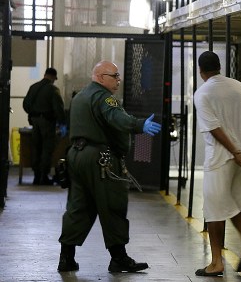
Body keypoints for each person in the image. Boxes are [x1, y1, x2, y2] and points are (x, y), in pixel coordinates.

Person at [57, 61, 162, 273]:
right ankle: (119, 258)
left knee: (78, 207)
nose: (118, 80)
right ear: (100, 76)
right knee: (113, 203)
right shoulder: (104, 97)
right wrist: (139, 125)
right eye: (114, 76)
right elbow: (117, 118)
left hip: (76, 157)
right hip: (100, 159)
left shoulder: (80, 97)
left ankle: (66, 258)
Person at [193, 51, 241, 276]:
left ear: (201, 71)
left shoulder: (202, 93)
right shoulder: (240, 87)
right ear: (220, 66)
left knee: (214, 208)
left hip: (221, 156)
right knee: (237, 202)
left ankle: (217, 262)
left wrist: (233, 151)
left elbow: (214, 128)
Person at [22, 67, 66, 185]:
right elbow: (58, 108)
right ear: (52, 77)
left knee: (36, 147)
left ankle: (36, 175)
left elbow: (26, 104)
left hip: (35, 121)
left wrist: (33, 114)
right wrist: (63, 122)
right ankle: (44, 176)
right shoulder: (53, 90)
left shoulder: (34, 87)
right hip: (47, 122)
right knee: (47, 148)